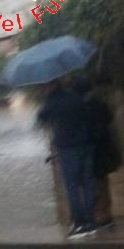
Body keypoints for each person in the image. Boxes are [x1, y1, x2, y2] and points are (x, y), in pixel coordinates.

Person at [37, 78, 97, 239]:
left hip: (67, 149)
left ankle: (80, 224)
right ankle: (91, 222)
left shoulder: (51, 102)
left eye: (43, 85)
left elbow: (40, 119)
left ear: (51, 85)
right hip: (86, 145)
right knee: (88, 184)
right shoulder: (75, 97)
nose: (41, 88)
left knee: (72, 187)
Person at [73, 78, 122, 230]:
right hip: (104, 149)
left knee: (93, 182)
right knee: (102, 181)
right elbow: (109, 119)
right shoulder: (100, 104)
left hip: (91, 150)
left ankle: (99, 215)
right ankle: (106, 213)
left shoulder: (79, 108)